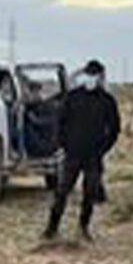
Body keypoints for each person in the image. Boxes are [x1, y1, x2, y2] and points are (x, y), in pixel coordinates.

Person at [43, 59, 120, 241]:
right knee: (62, 192)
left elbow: (115, 129)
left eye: (96, 75)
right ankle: (51, 228)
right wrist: (63, 144)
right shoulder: (73, 97)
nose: (92, 79)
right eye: (89, 74)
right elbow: (60, 122)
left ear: (101, 78)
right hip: (72, 154)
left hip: (93, 156)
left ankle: (83, 227)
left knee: (90, 193)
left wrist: (103, 148)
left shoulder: (107, 101)